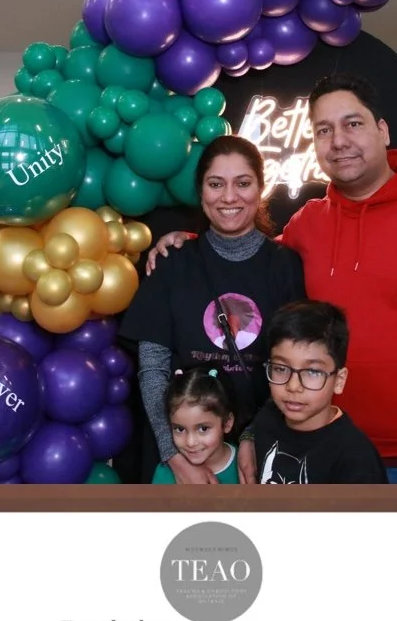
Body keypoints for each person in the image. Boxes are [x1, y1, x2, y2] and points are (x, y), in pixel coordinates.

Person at [149, 73, 397, 484]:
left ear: (383, 130)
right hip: (318, 448)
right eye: (324, 130)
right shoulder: (309, 224)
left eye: (353, 123)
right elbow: (244, 253)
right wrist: (187, 243)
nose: (339, 140)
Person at [120, 134, 306, 485]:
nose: (229, 197)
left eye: (243, 183)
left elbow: (292, 367)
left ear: (261, 188)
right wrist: (173, 454)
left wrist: (253, 438)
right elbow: (153, 367)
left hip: (262, 450)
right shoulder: (172, 262)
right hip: (180, 452)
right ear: (201, 191)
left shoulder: (284, 266)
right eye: (216, 184)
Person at [254, 300, 387, 484]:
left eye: (313, 372)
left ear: (339, 381)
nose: (293, 386)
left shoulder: (355, 458)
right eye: (281, 368)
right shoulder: (265, 420)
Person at [150, 368, 240, 485]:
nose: (190, 442)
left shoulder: (247, 463)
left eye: (203, 428)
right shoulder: (165, 473)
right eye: (180, 429)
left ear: (227, 423)